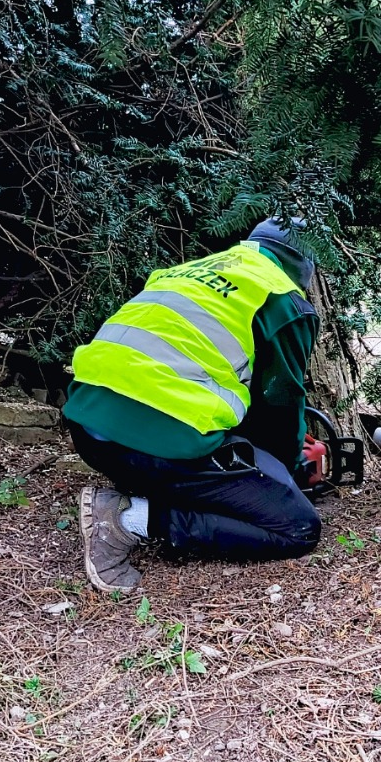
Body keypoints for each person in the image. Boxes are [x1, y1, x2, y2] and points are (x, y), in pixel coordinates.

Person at [64, 220, 326, 593]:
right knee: (297, 529)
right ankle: (126, 520)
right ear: (304, 267)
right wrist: (285, 476)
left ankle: (154, 489)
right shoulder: (281, 298)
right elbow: (280, 406)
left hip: (90, 431)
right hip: (158, 443)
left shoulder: (184, 273)